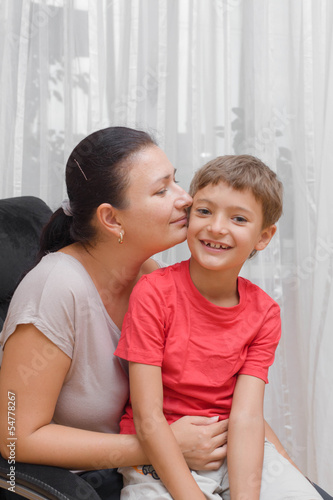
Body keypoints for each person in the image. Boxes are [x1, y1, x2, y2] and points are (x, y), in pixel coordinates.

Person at [0, 127, 229, 500]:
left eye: (176, 181)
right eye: (161, 190)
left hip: (146, 469)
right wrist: (161, 444)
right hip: (84, 483)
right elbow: (14, 438)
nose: (185, 199)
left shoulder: (150, 275)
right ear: (111, 219)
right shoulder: (55, 289)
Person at [115, 155, 324, 499]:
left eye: (238, 218)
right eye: (205, 211)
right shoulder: (153, 293)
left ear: (263, 237)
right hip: (161, 451)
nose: (216, 227)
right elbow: (147, 417)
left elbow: (245, 417)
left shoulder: (265, 313)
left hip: (231, 447)